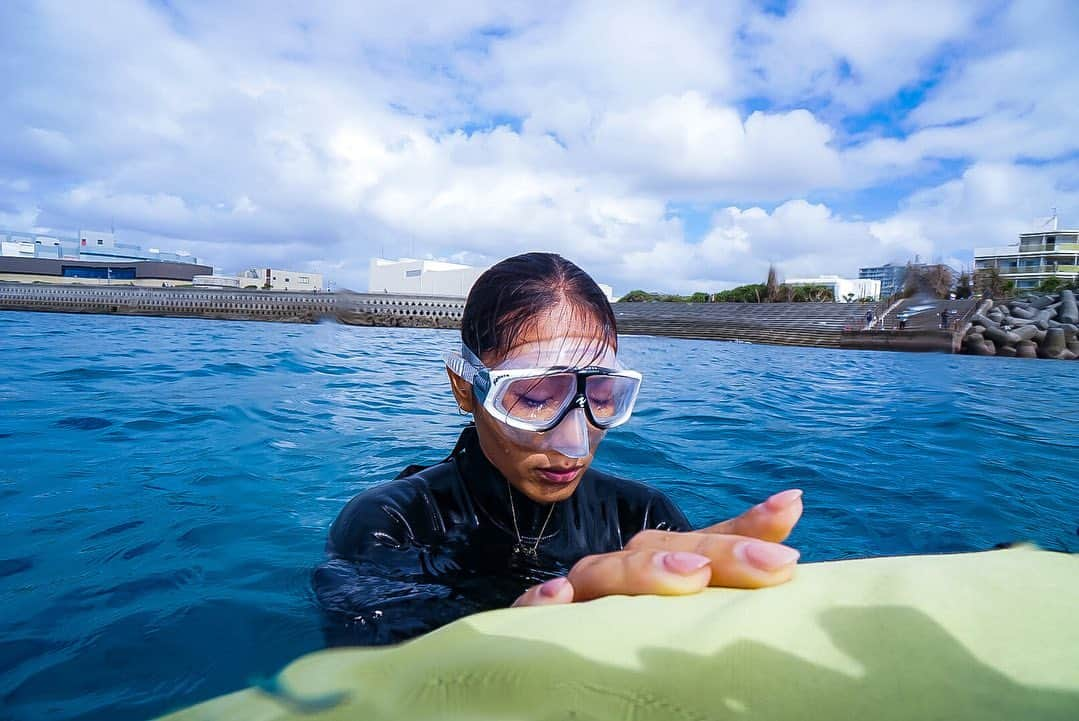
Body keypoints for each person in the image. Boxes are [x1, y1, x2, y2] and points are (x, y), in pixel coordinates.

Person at [314, 252, 803, 646]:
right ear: (465, 387)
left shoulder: (643, 517)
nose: (574, 443)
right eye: (532, 398)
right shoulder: (390, 525)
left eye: (601, 397)